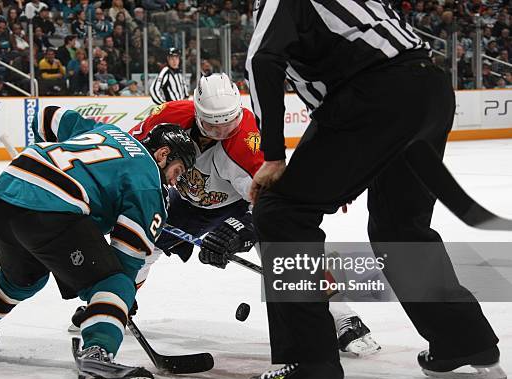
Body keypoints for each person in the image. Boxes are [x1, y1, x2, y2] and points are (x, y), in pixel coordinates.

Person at [244, 1, 505, 379]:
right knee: (400, 227)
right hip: (429, 89)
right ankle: (463, 341)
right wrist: (340, 166)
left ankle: (308, 361)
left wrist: (274, 155)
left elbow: (263, 59)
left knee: (281, 212)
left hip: (375, 96)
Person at [90, 73, 377, 356]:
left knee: (285, 247)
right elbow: (129, 151)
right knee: (140, 244)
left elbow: (271, 202)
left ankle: (343, 317)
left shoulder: (245, 140)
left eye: (228, 124)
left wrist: (238, 228)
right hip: (188, 201)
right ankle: (113, 305)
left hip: (240, 202)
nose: (221, 133)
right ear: (197, 112)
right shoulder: (170, 115)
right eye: (213, 127)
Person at [0, 107, 197, 379]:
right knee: (115, 282)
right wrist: (115, 302)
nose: (175, 181)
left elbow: (47, 116)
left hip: (4, 196)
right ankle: (98, 360)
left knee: (20, 280)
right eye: (178, 171)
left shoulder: (109, 132)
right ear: (162, 154)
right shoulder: (149, 185)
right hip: (51, 210)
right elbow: (126, 261)